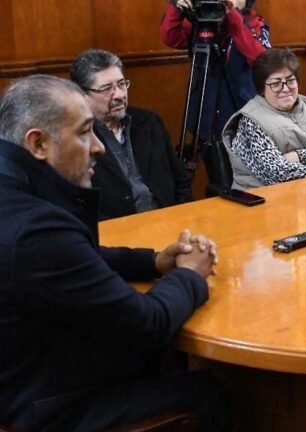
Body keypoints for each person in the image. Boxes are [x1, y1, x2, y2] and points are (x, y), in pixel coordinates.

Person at [0, 75, 230, 430]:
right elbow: (149, 323)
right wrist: (189, 274)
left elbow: (76, 257)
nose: (99, 147)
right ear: (38, 143)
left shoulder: (15, 192)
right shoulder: (37, 230)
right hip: (44, 406)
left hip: (23, 373)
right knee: (211, 392)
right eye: (84, 132)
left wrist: (153, 261)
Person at [70, 49, 192, 220]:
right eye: (106, 89)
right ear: (83, 95)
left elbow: (181, 181)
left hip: (168, 222)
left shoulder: (149, 122)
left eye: (121, 84)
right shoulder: (76, 138)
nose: (120, 95)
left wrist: (181, 218)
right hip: (116, 231)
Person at [222, 48, 306, 189]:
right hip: (264, 197)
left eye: (290, 80)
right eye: (276, 84)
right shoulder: (249, 120)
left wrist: (298, 156)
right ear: (261, 89)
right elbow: (277, 174)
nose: (285, 88)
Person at [160, 0, 271, 143]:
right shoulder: (203, 24)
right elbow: (171, 37)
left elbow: (260, 59)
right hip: (206, 110)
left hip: (239, 110)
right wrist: (177, 8)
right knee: (209, 153)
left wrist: (232, 15)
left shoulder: (255, 24)